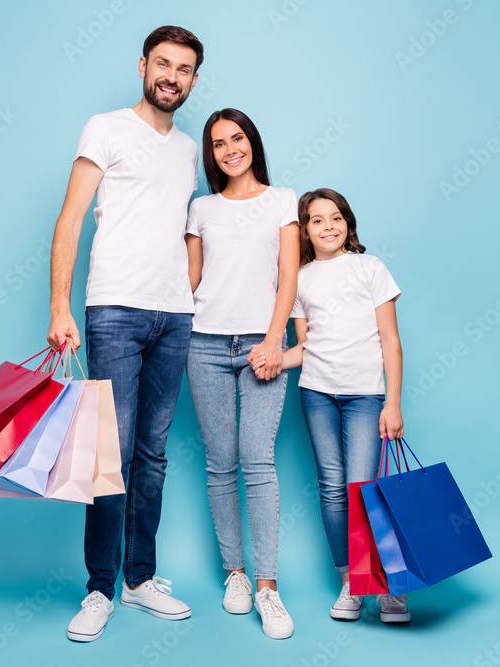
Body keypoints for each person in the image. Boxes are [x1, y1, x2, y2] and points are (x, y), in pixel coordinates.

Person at [46, 25, 204, 642]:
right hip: (114, 309)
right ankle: (98, 589)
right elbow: (71, 218)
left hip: (175, 316)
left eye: (184, 68)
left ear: (192, 80)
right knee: (108, 456)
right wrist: (61, 308)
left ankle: (140, 580)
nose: (171, 75)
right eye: (162, 63)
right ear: (143, 66)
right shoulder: (105, 128)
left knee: (153, 455)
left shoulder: (189, 149)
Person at [253, 187, 410, 624]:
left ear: (348, 223)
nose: (328, 226)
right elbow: (305, 346)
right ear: (305, 229)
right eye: (317, 220)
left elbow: (391, 343)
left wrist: (392, 402)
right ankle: (351, 581)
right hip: (317, 394)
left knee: (364, 488)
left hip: (365, 396)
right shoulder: (299, 279)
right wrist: (273, 361)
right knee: (333, 488)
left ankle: (387, 585)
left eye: (335, 217)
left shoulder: (369, 267)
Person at [184, 109, 299, 639]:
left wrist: (276, 340)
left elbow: (289, 278)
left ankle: (268, 588)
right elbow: (188, 278)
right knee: (220, 462)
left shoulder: (282, 201)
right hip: (202, 343)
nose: (230, 148)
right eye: (219, 143)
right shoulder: (201, 207)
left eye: (238, 138)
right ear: (211, 154)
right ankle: (236, 574)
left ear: (252, 141)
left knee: (258, 460)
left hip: (261, 346)